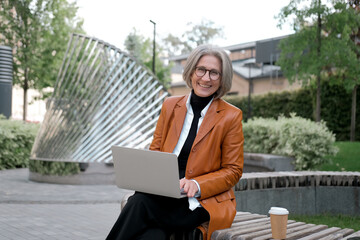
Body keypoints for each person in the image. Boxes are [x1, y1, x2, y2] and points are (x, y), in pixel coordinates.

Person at [106, 44, 244, 240]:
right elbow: (155, 152)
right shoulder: (170, 105)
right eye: (201, 70)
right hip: (165, 192)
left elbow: (233, 170)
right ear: (191, 72)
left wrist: (197, 184)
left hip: (200, 200)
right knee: (152, 233)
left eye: (214, 73)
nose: (206, 78)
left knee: (138, 204)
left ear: (222, 79)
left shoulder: (231, 116)